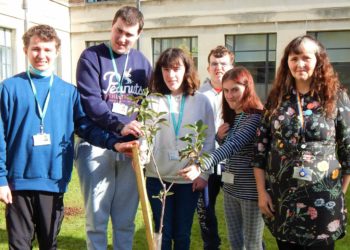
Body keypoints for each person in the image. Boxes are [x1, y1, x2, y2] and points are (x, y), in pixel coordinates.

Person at [0, 24, 136, 250]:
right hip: (18, 182)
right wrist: (1, 178)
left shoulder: (69, 92)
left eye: (47, 49)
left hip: (53, 181)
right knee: (19, 246)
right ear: (25, 50)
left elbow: (86, 127)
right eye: (35, 49)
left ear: (56, 52)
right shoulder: (9, 88)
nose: (41, 55)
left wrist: (115, 144)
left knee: (49, 244)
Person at [252, 35, 350, 250]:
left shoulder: (336, 97)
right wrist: (262, 193)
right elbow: (260, 149)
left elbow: (347, 151)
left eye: (305, 58)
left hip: (324, 202)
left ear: (318, 61)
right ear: (287, 62)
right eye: (294, 58)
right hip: (283, 202)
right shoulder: (277, 99)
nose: (299, 64)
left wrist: (338, 193)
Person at [75, 6, 152, 250]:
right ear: (112, 25)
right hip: (96, 144)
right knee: (97, 220)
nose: (122, 38)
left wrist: (143, 136)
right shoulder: (91, 56)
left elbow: (149, 104)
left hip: (130, 148)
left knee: (125, 220)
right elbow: (92, 102)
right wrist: (120, 125)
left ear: (138, 35)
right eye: (119, 30)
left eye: (129, 34)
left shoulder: (142, 63)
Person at [181, 66, 264, 250]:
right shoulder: (234, 117)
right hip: (230, 191)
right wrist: (219, 137)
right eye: (226, 90)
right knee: (235, 243)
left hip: (250, 193)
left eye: (235, 89)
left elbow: (233, 146)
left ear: (247, 88)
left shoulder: (254, 117)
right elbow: (230, 144)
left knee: (252, 245)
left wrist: (200, 165)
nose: (230, 95)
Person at [145, 48, 215, 250]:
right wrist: (139, 155)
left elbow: (209, 139)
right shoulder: (152, 100)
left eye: (176, 68)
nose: (171, 75)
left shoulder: (202, 101)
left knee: (182, 234)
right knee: (163, 234)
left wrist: (204, 173)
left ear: (186, 70)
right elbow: (145, 137)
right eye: (166, 69)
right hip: (157, 178)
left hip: (188, 181)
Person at [197, 45, 234, 250]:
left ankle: (252, 244)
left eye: (223, 63)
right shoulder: (197, 95)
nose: (218, 67)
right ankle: (211, 245)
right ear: (208, 67)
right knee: (205, 209)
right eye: (214, 64)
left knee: (240, 209)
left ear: (231, 66)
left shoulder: (240, 94)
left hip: (233, 164)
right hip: (206, 164)